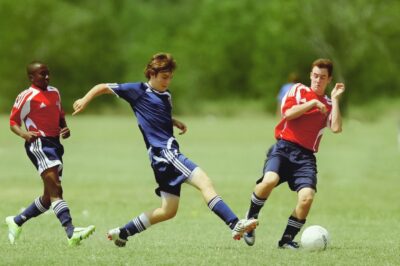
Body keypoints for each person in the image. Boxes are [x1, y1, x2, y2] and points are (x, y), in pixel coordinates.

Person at [72, 53, 258, 247]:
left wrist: (173, 121)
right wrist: (85, 100)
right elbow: (102, 87)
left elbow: (156, 116)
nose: (167, 82)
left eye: (170, 77)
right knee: (205, 182)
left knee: (168, 210)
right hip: (166, 154)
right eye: (164, 77)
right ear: (151, 74)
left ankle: (123, 232)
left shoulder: (166, 96)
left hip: (160, 158)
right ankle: (235, 223)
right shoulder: (137, 90)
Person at [243, 59, 345, 249]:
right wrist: (313, 102)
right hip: (283, 148)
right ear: (310, 75)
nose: (318, 80)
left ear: (329, 79)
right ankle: (249, 220)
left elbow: (337, 128)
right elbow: (288, 114)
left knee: (307, 197)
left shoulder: (329, 104)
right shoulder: (298, 90)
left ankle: (286, 240)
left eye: (323, 77)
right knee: (269, 180)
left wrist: (336, 99)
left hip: (306, 157)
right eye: (315, 76)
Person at [6, 61, 95, 246]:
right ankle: (71, 232)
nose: (47, 77)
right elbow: (13, 122)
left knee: (48, 198)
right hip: (38, 144)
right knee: (56, 189)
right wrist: (24, 134)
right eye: (42, 74)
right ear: (31, 78)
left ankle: (16, 221)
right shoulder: (27, 96)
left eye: (48, 73)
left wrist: (65, 128)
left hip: (55, 144)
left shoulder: (55, 92)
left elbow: (60, 115)